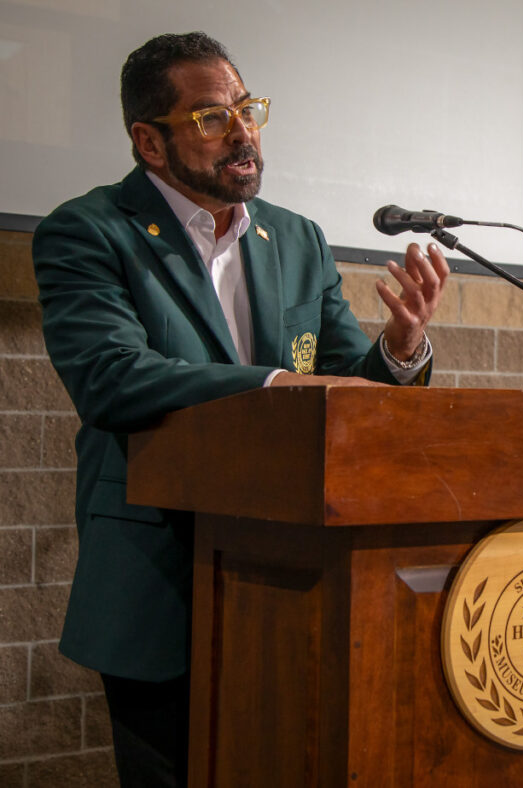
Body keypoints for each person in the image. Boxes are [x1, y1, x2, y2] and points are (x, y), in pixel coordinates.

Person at [32, 32, 449, 787]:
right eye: (211, 118)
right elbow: (113, 379)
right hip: (160, 577)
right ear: (149, 142)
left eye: (247, 110)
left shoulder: (296, 237)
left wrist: (399, 347)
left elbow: (347, 388)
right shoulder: (88, 231)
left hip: (293, 577)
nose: (242, 133)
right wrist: (279, 385)